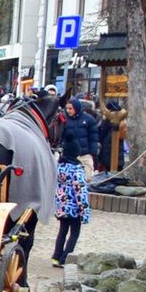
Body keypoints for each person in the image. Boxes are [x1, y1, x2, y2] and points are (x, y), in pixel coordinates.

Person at [52, 99, 99, 267]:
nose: (68, 110)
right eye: (67, 108)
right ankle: (65, 257)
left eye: (70, 108)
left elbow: (93, 138)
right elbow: (80, 190)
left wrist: (93, 154)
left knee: (62, 230)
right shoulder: (64, 120)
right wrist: (84, 211)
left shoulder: (89, 120)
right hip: (74, 207)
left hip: (81, 154)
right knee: (73, 232)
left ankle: (56, 255)